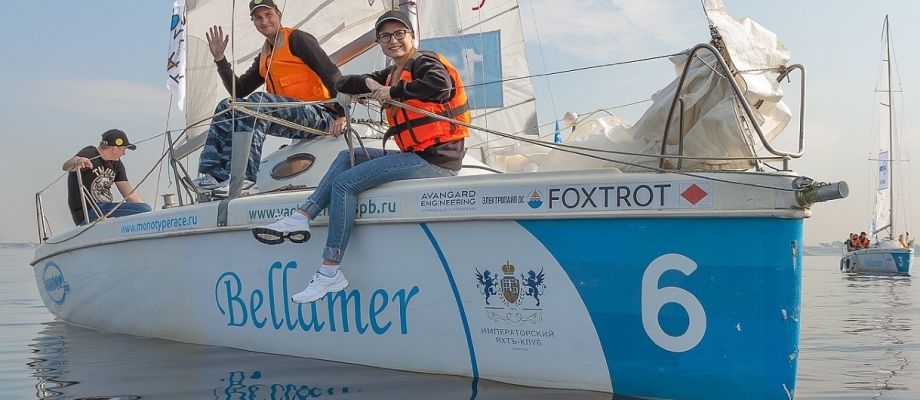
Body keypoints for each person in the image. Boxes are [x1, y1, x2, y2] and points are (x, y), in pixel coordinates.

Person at [251, 9, 470, 304]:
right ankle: (301, 216)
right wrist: (372, 84)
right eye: (385, 36)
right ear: (379, 41)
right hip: (418, 153)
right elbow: (343, 83)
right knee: (346, 156)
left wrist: (393, 90)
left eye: (398, 34)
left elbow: (439, 86)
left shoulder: (424, 61)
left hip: (436, 160)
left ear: (411, 36)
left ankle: (329, 272)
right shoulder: (391, 71)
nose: (392, 41)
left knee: (345, 184)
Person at [192, 0, 348, 190]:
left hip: (322, 115)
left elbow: (331, 73)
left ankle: (246, 179)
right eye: (258, 18)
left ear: (278, 14)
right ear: (253, 22)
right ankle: (215, 176)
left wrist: (342, 114)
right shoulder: (265, 55)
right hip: (289, 116)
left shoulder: (297, 39)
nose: (264, 21)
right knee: (227, 106)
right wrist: (220, 59)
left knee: (257, 103)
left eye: (268, 15)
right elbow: (239, 90)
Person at [64, 129, 152, 225]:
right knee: (144, 209)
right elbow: (66, 166)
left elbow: (129, 195)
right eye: (124, 149)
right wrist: (79, 161)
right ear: (115, 148)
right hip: (90, 212)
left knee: (145, 209)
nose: (124, 153)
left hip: (105, 210)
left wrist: (151, 214)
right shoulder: (90, 153)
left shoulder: (116, 164)